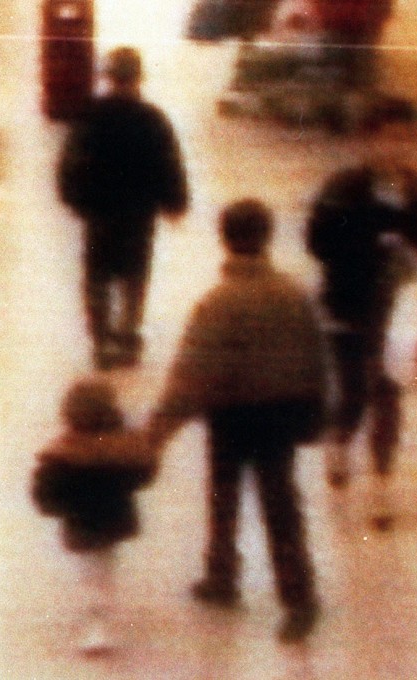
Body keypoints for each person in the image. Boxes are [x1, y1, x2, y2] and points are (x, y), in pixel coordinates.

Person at [147, 199, 326, 644]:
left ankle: (222, 575)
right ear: (267, 236)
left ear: (225, 239)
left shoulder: (219, 302)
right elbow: (316, 357)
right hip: (280, 415)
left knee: (223, 497)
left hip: (231, 416)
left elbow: (193, 371)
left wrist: (158, 430)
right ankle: (299, 597)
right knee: (281, 504)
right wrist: (316, 413)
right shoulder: (293, 293)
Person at [306, 160, 417, 528]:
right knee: (357, 392)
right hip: (351, 304)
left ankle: (379, 487)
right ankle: (343, 449)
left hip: (384, 311)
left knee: (383, 394)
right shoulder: (348, 187)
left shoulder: (416, 192)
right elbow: (318, 241)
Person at [58, 46, 189, 370]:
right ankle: (129, 336)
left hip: (100, 214)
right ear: (138, 78)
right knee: (134, 276)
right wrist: (174, 200)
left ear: (109, 77)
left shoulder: (91, 115)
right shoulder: (152, 119)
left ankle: (102, 341)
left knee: (97, 277)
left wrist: (74, 199)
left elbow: (70, 163)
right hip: (138, 215)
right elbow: (168, 164)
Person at [31, 377, 156, 655]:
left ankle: (97, 626)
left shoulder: (65, 450)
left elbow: (44, 489)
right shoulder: (124, 445)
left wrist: (55, 505)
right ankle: (100, 619)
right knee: (103, 570)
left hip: (80, 522)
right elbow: (145, 472)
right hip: (115, 519)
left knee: (90, 574)